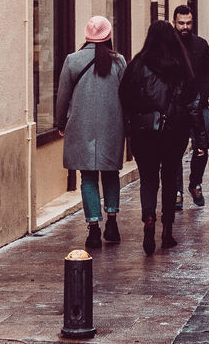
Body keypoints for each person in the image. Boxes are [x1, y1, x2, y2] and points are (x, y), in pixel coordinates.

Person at [120, 20, 208, 255]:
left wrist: (130, 127)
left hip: (143, 133)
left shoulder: (137, 65)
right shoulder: (180, 66)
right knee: (169, 178)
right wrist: (200, 138)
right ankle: (167, 230)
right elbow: (194, 104)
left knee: (148, 179)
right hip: (173, 133)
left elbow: (124, 98)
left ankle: (148, 216)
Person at [54, 15, 127, 249]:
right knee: (110, 173)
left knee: (87, 177)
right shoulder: (119, 62)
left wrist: (60, 123)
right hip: (112, 127)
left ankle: (93, 228)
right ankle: (112, 222)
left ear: (86, 35)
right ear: (108, 36)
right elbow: (126, 96)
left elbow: (62, 96)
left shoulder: (73, 60)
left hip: (81, 126)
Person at [174, 4, 209, 208]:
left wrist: (203, 95)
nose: (184, 26)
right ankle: (176, 192)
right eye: (181, 23)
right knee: (173, 149)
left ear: (193, 23)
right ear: (174, 23)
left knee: (203, 147)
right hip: (174, 109)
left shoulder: (201, 45)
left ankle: (195, 183)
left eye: (188, 23)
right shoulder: (167, 46)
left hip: (198, 106)